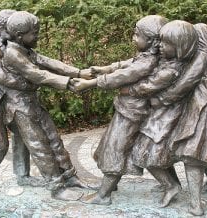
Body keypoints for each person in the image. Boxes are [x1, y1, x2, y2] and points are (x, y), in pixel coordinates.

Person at [129, 21, 207, 216]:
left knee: (193, 154)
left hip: (206, 111)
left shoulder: (202, 58)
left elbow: (182, 86)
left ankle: (196, 205)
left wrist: (159, 99)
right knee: (205, 149)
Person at [70, 15, 182, 205]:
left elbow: (123, 75)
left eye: (137, 35)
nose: (133, 38)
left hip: (132, 114)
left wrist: (90, 84)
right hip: (128, 110)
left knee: (114, 149)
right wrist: (105, 68)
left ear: (152, 41)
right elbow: (127, 64)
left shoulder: (147, 63)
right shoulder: (148, 57)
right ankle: (166, 184)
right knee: (112, 146)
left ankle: (103, 196)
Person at [1, 11, 94, 199]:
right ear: (20, 36)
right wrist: (67, 82)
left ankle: (69, 176)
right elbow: (37, 74)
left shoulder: (26, 49)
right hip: (20, 109)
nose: (38, 36)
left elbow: (48, 63)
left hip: (32, 104)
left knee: (54, 139)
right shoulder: (12, 54)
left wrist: (78, 72)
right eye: (34, 33)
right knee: (40, 146)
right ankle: (56, 187)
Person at [0, 9, 41, 194]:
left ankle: (23, 175)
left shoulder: (12, 46)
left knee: (22, 136)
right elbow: (2, 76)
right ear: (5, 28)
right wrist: (31, 85)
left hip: (10, 101)